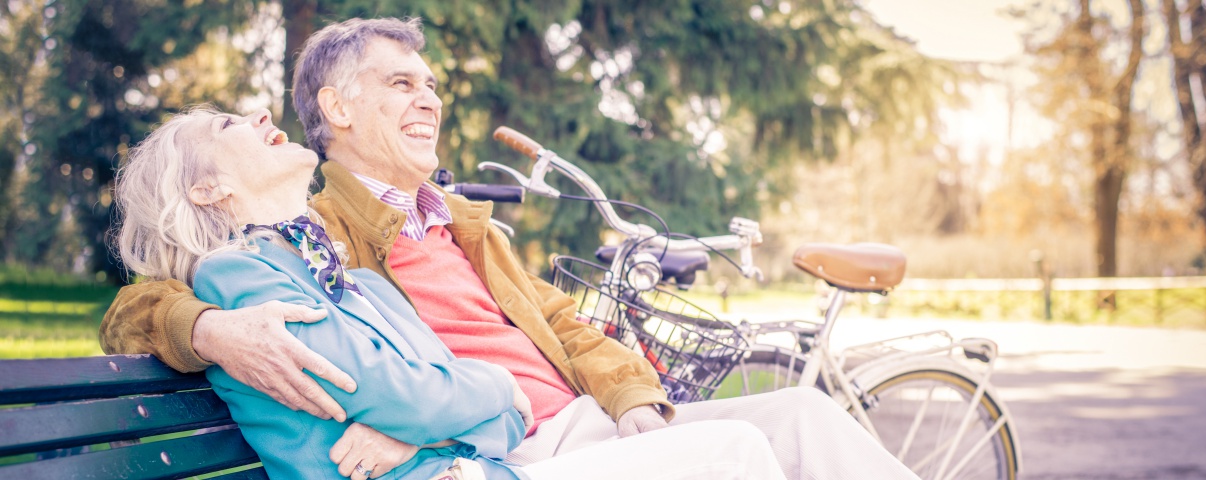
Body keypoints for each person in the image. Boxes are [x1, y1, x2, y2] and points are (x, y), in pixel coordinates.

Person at [101, 17, 917, 479]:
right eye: (400, 84)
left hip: (576, 424)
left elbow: (559, 322)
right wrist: (205, 328)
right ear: (337, 110)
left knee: (806, 416)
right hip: (509, 448)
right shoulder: (316, 232)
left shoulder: (459, 221)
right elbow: (148, 298)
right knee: (739, 453)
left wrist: (631, 396)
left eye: (430, 84)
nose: (430, 99)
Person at [112, 105, 787, 480]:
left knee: (764, 435)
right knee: (738, 453)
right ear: (209, 190)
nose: (261, 115)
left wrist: (432, 429)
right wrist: (497, 388)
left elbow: (486, 415)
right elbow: (404, 394)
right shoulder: (239, 277)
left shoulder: (347, 274)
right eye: (233, 126)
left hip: (477, 470)